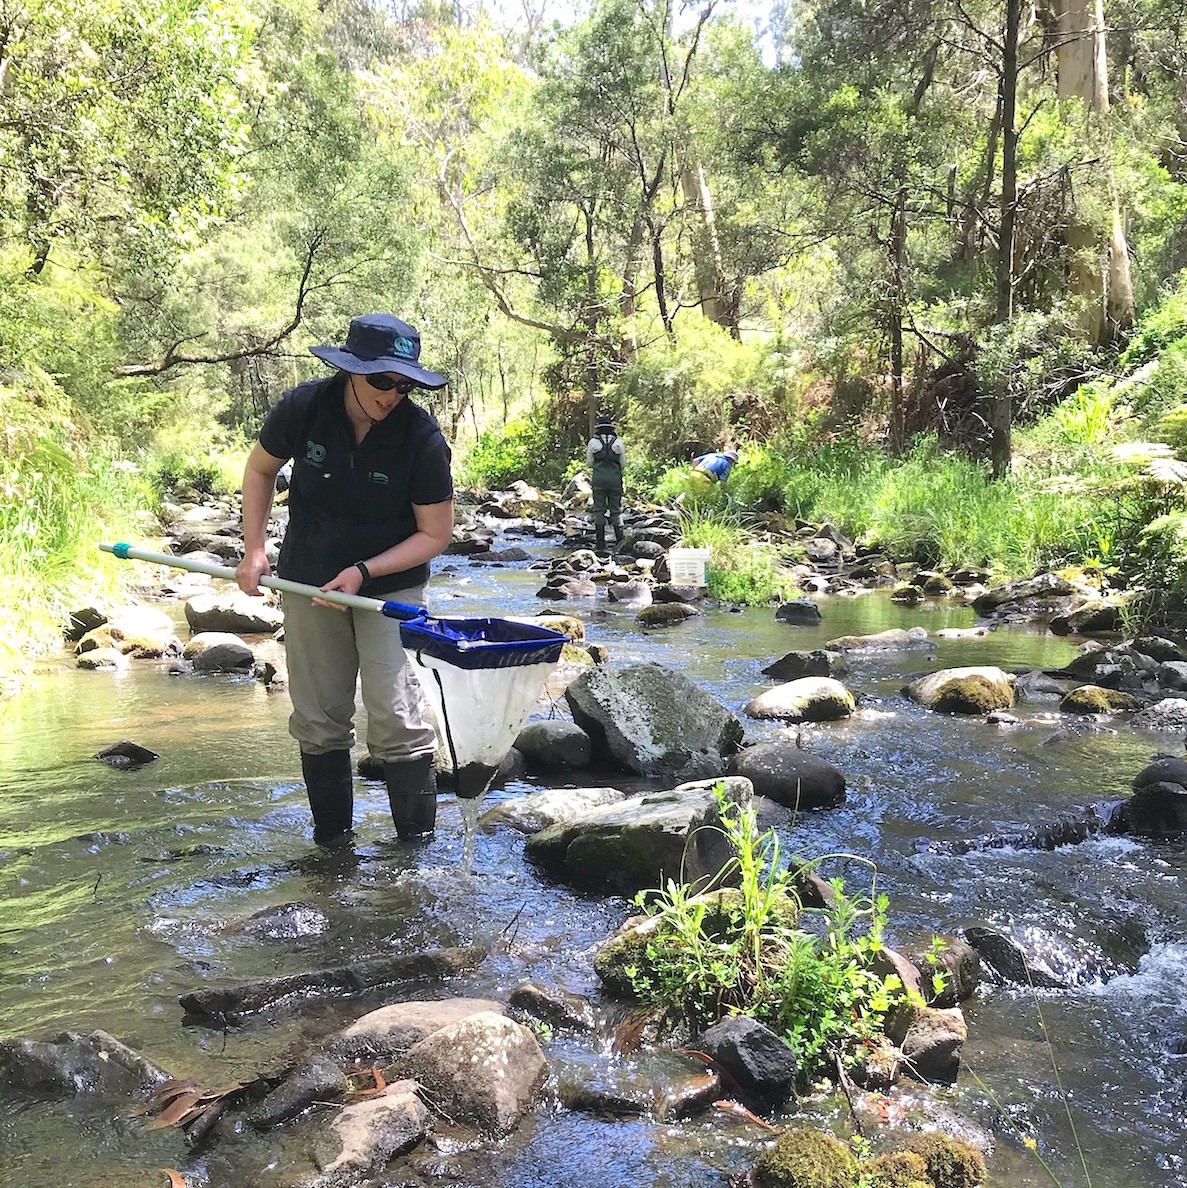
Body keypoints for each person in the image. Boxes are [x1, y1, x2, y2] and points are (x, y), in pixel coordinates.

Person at [234, 313, 454, 845]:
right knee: (319, 717)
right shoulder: (304, 407)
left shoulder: (422, 439)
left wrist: (363, 571)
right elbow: (261, 469)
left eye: (403, 384)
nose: (392, 395)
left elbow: (436, 534)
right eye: (381, 380)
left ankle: (414, 858)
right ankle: (332, 851)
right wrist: (254, 549)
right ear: (351, 371)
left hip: (389, 590)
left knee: (397, 719)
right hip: (307, 582)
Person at [586, 412, 625, 554]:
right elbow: (623, 464)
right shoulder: (618, 442)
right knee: (616, 509)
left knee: (599, 509)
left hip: (598, 479)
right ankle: (620, 541)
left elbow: (590, 463)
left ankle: (600, 543)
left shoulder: (593, 443)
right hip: (615, 479)